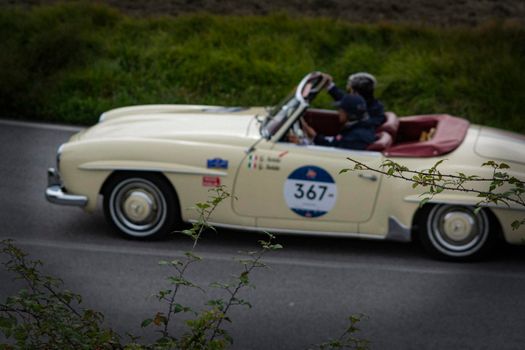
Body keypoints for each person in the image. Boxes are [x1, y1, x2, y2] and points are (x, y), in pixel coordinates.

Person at [294, 94, 376, 150]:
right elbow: (335, 144)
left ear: (350, 114)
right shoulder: (357, 129)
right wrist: (315, 136)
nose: (339, 112)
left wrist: (301, 144)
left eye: (341, 110)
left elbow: (333, 151)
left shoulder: (357, 137)